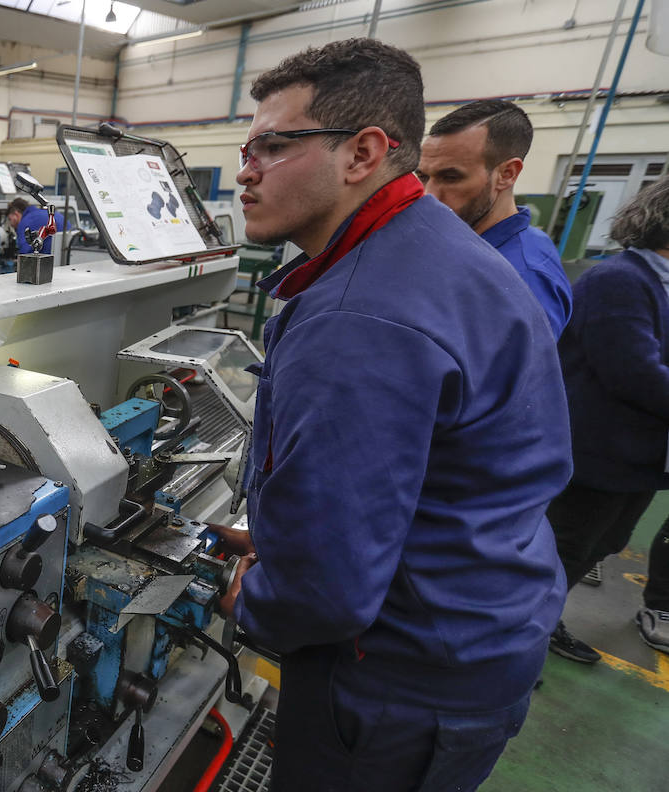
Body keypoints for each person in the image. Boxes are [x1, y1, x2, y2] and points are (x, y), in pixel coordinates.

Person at [215, 38, 570, 791]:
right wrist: (284, 531)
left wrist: (255, 597)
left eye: (274, 145)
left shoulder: (360, 316)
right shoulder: (440, 248)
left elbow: (327, 593)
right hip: (482, 623)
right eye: (247, 147)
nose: (245, 169)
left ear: (363, 153)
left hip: (399, 681)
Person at [544, 175, 669, 663]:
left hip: (638, 457)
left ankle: (540, 624)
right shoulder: (621, 280)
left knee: (603, 544)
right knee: (564, 550)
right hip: (598, 455)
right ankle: (515, 642)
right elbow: (633, 373)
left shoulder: (656, 283)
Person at [418, 100, 572, 336]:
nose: (429, 195)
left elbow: (518, 371)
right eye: (423, 176)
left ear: (507, 174)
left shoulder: (524, 278)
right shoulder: (463, 243)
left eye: (450, 177)